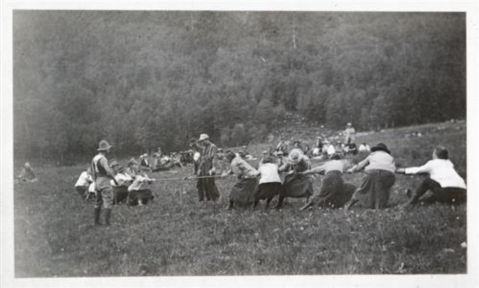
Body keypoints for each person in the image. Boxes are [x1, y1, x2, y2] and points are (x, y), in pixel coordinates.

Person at [396, 146, 467, 207]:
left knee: (428, 181)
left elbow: (417, 170)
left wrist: (400, 170)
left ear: (436, 155)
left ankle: (411, 201)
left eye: (433, 153)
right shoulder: (449, 163)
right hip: (462, 194)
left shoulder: (433, 163)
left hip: (447, 192)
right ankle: (420, 201)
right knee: (434, 196)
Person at [345, 143, 396, 210]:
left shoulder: (372, 155)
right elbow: (393, 168)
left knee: (363, 189)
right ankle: (380, 207)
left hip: (372, 172)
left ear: (376, 150)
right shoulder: (390, 157)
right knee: (384, 190)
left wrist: (351, 170)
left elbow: (360, 165)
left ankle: (349, 206)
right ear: (385, 150)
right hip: (388, 174)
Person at [91, 140, 118, 226]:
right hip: (104, 180)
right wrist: (114, 179)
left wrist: (95, 181)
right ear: (106, 150)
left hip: (97, 180)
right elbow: (108, 171)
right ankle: (107, 223)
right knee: (108, 201)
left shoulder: (94, 158)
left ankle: (96, 221)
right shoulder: (103, 159)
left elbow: (93, 171)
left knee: (98, 201)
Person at [192, 134, 220, 202]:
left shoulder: (213, 146)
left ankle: (215, 198)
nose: (202, 143)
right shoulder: (204, 148)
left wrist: (213, 167)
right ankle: (208, 198)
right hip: (204, 166)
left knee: (209, 182)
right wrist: (199, 169)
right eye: (201, 141)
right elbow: (203, 159)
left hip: (210, 165)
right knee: (203, 182)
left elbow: (214, 158)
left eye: (203, 141)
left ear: (207, 140)